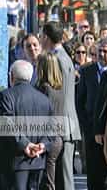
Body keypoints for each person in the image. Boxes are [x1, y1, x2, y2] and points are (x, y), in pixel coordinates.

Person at [0, 60, 52, 190]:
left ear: (11, 76)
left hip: (13, 161)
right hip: (37, 161)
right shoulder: (44, 99)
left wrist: (26, 144)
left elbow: (6, 123)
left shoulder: (6, 95)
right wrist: (42, 145)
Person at [41, 21, 81, 190]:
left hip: (62, 126)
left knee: (64, 179)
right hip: (64, 125)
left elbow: (58, 96)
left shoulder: (57, 59)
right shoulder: (62, 56)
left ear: (46, 37)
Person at [76, 38, 107, 190]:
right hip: (92, 130)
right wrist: (86, 125)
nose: (101, 54)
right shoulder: (87, 71)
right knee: (94, 171)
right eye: (99, 50)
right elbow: (79, 101)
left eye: (105, 51)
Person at [36, 53, 64, 190]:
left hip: (47, 138)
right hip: (57, 138)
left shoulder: (44, 89)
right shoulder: (59, 89)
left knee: (47, 182)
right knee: (51, 179)